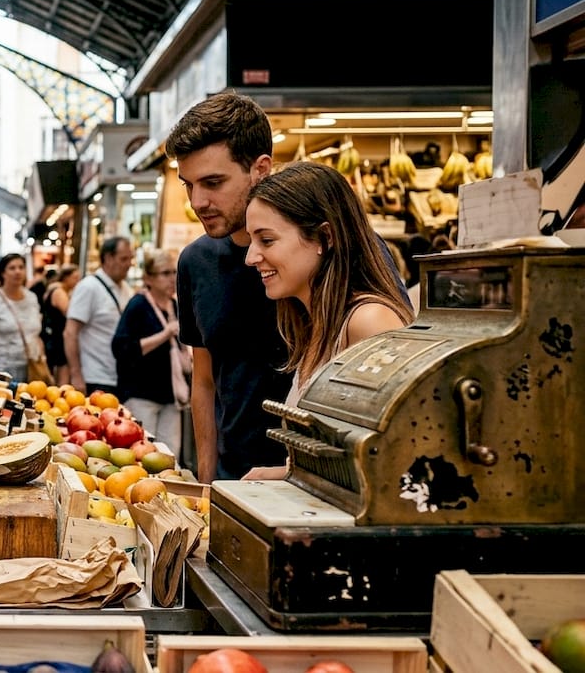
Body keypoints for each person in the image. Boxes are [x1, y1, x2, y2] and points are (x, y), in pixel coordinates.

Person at [169, 92, 410, 482]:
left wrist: (291, 474)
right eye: (188, 185)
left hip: (318, 493)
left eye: (213, 182)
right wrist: (208, 481)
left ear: (261, 168)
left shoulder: (354, 288)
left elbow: (393, 432)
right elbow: (205, 379)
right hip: (255, 484)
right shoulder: (196, 263)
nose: (198, 201)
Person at [246, 162, 415, 406]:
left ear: (325, 237)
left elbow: (404, 432)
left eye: (267, 240)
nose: (250, 258)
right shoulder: (317, 325)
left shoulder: (369, 321)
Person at [111, 251, 186, 459]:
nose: (172, 279)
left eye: (174, 272)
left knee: (170, 454)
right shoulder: (138, 305)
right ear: (149, 278)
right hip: (141, 392)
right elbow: (122, 348)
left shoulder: (174, 305)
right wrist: (165, 334)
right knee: (141, 452)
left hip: (170, 393)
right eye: (165, 273)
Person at [65, 236, 135, 396]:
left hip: (120, 377)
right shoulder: (89, 287)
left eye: (130, 259)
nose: (129, 264)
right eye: (124, 259)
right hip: (95, 377)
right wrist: (76, 375)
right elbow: (70, 333)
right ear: (108, 258)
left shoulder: (126, 288)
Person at [0, 253, 43, 381]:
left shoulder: (32, 298)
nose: (17, 272)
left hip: (31, 367)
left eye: (21, 267)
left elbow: (36, 334)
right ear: (3, 273)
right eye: (12, 268)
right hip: (3, 370)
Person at [41, 263, 80, 385]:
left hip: (54, 337)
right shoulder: (59, 292)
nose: (77, 281)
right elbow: (69, 313)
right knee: (63, 372)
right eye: (75, 278)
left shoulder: (55, 289)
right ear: (66, 277)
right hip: (58, 338)